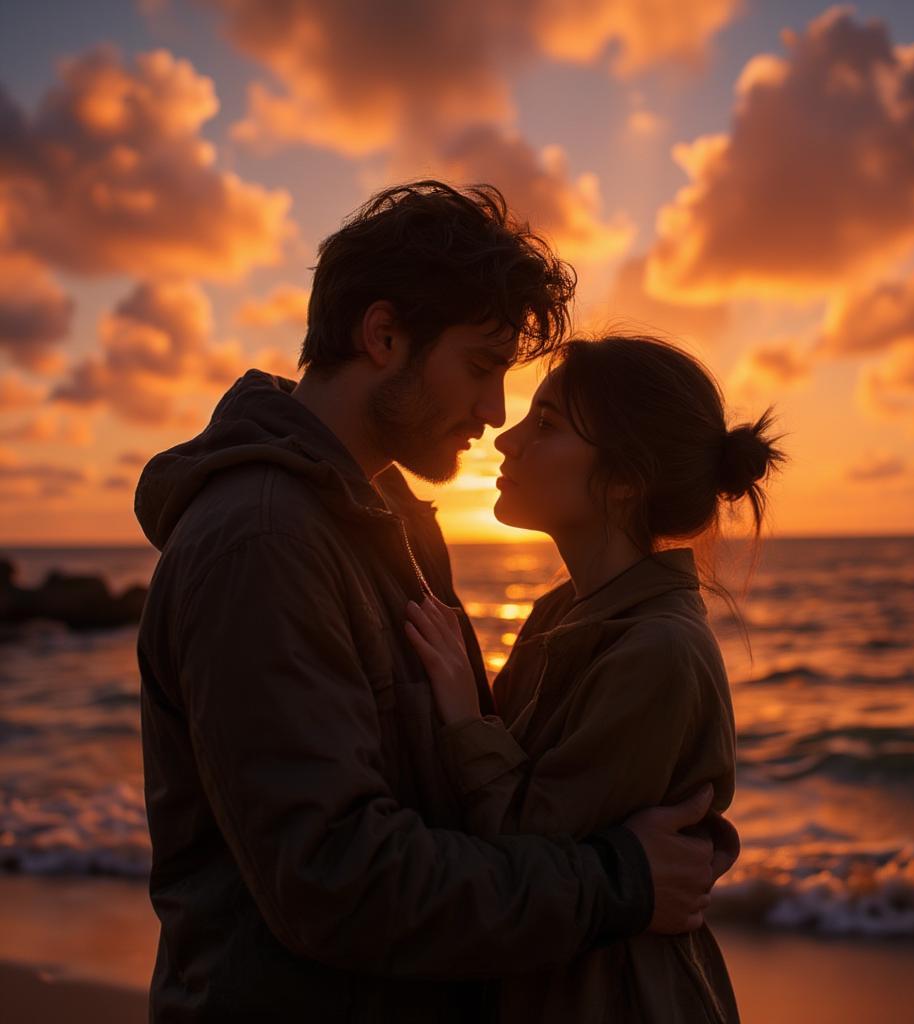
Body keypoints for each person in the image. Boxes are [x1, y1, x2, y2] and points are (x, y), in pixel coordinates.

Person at [134, 182, 740, 1022]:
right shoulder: (262, 543)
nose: (495, 415)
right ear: (384, 336)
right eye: (483, 368)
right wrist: (621, 882)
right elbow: (335, 880)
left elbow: (451, 807)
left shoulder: (398, 525)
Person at [406, 334, 788, 1022]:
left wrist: (466, 718)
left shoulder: (659, 650)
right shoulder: (562, 609)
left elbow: (524, 842)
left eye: (546, 425)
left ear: (624, 479)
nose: (507, 440)